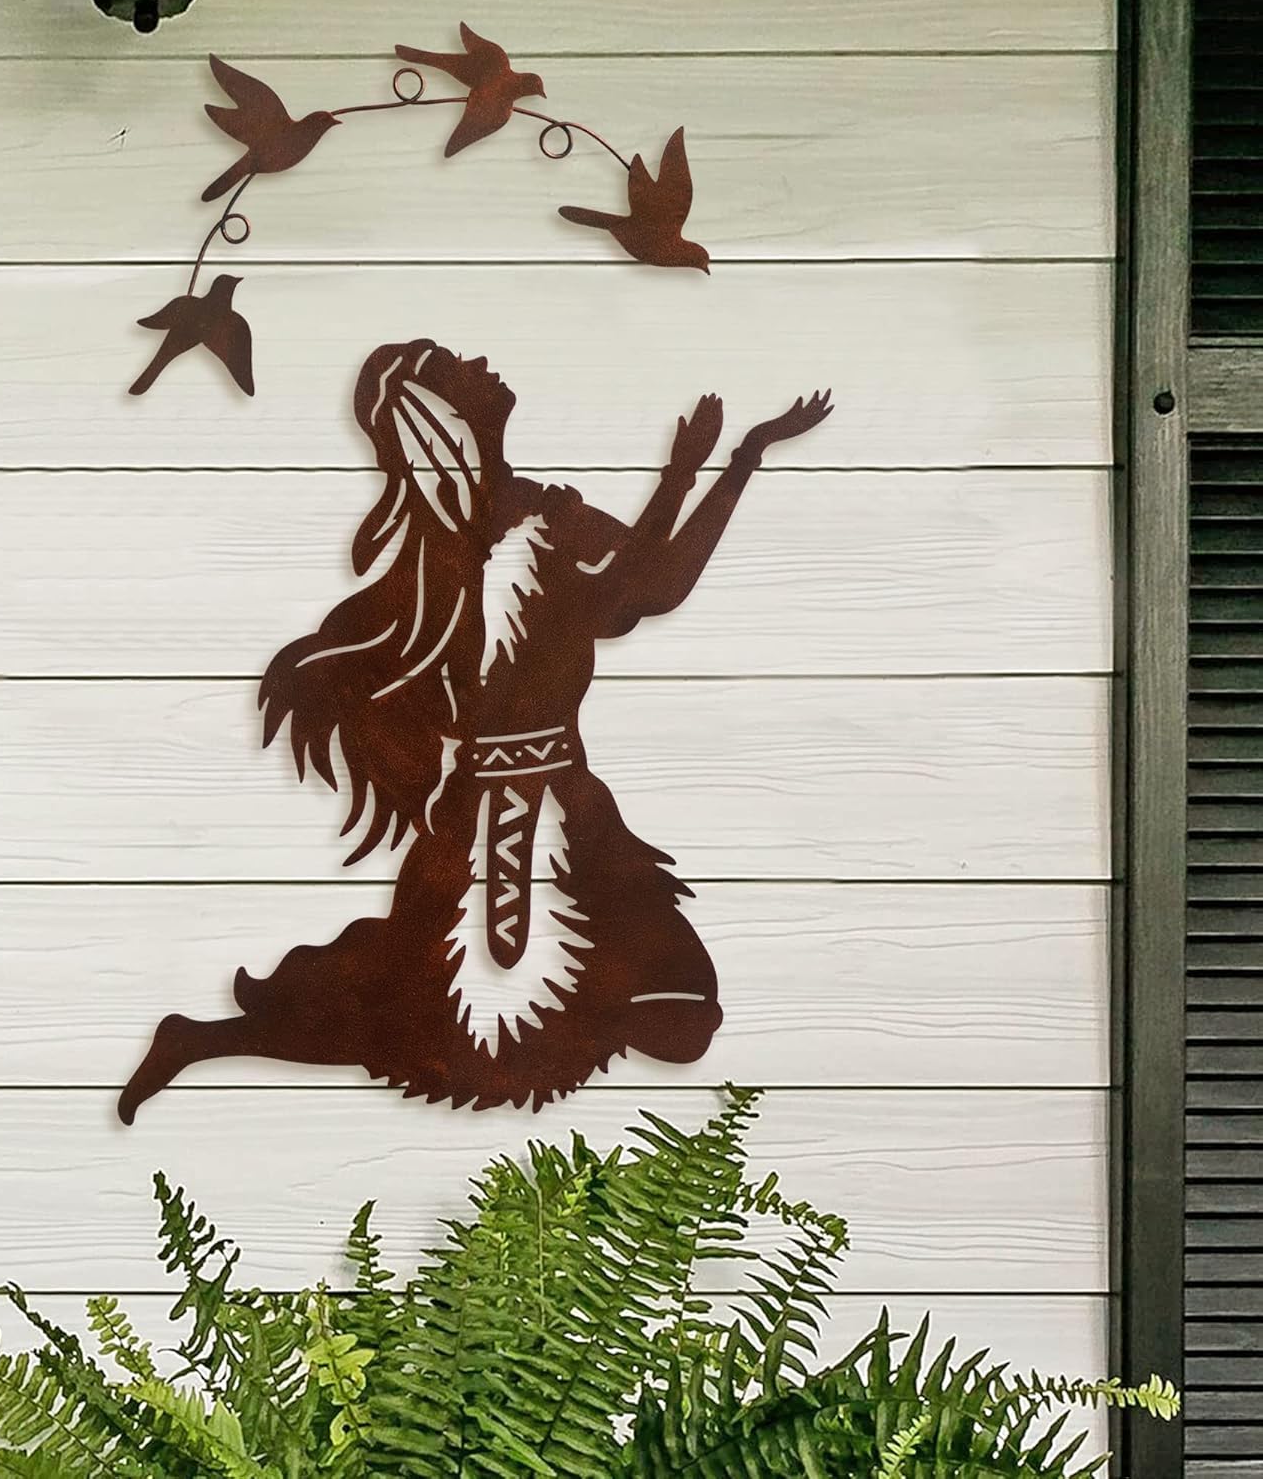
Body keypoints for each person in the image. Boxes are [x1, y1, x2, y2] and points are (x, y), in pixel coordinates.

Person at [119, 338, 832, 1120]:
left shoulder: (530, 518)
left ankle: (200, 1040)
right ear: (444, 421)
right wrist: (704, 468)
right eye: (458, 368)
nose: (481, 366)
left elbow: (643, 585)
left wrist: (719, 463)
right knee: (431, 1020)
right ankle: (200, 1041)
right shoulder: (487, 541)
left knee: (671, 1011)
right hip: (492, 821)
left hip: (565, 802)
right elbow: (635, 590)